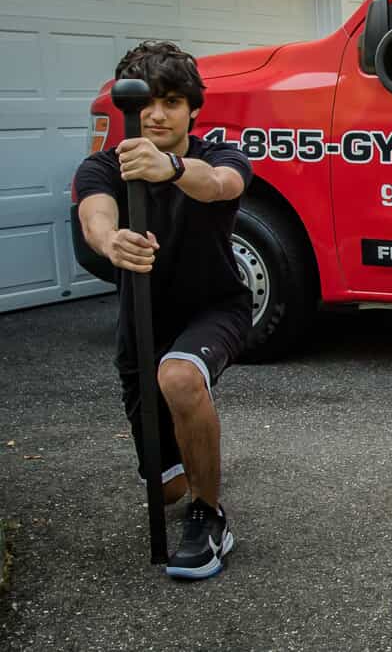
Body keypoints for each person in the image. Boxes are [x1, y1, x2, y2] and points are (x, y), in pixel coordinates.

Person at [75, 40, 253, 580]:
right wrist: (111, 242)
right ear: (128, 106)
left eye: (172, 101)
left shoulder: (219, 155)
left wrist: (170, 168)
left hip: (215, 307)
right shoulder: (103, 166)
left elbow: (221, 185)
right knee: (168, 486)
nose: (156, 114)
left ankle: (210, 517)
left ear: (193, 109)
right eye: (146, 101)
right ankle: (193, 469)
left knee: (179, 376)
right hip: (142, 323)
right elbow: (95, 215)